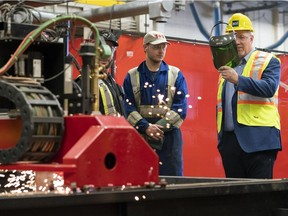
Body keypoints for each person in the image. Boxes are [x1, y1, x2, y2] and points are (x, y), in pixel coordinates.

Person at [216, 13, 282, 179]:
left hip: (259, 141)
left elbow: (269, 88)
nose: (237, 41)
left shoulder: (269, 60)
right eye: (233, 37)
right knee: (235, 199)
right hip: (230, 143)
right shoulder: (226, 67)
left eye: (241, 37)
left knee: (259, 198)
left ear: (251, 38)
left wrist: (237, 79)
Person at [123, 30, 188, 176]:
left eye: (164, 47)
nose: (161, 51)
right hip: (141, 138)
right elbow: (127, 107)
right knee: (141, 181)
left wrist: (157, 129)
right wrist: (146, 127)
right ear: (145, 47)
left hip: (169, 140)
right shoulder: (132, 76)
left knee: (172, 183)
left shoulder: (176, 74)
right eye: (156, 47)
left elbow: (181, 109)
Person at [74, 30, 125, 116]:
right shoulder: (83, 83)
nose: (104, 54)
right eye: (100, 48)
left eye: (109, 49)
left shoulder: (111, 81)